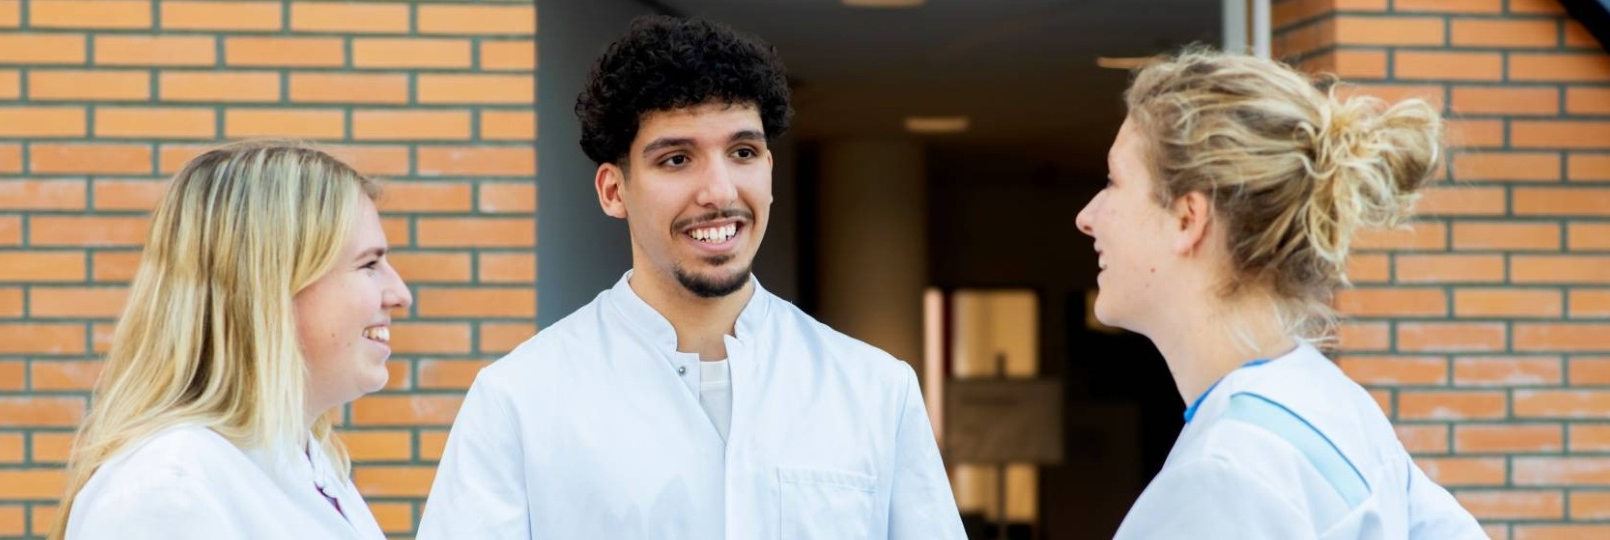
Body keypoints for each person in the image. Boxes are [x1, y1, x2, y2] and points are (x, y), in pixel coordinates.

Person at [417, 15, 964, 539]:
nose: (720, 192)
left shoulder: (875, 392)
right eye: (677, 159)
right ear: (613, 191)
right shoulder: (520, 400)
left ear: (769, 172)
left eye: (743, 152)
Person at [1075, 49, 1487, 538]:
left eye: (1113, 182)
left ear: (1188, 219)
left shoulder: (1224, 476)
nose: (1087, 216)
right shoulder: (1334, 404)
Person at [52, 141, 412, 539]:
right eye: (369, 264)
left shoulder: (305, 466)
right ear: (271, 285)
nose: (400, 294)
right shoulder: (170, 488)